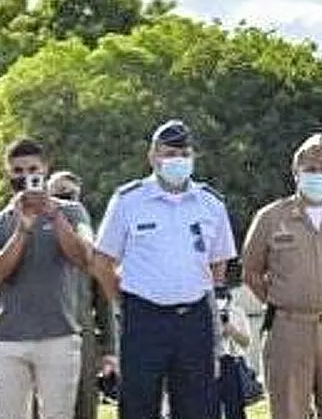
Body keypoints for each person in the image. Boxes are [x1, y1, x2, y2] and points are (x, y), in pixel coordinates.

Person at [93, 120, 237, 419]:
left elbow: (219, 260)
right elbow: (102, 261)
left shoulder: (211, 203)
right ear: (152, 157)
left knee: (199, 407)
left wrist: (217, 305)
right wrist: (123, 302)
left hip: (194, 320)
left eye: (184, 153)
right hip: (144, 320)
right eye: (169, 153)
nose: (177, 160)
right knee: (139, 406)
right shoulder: (129, 200)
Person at [239, 133, 322, 419]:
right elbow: (250, 271)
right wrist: (282, 300)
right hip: (288, 329)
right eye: (310, 169)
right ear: (296, 172)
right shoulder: (271, 217)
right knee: (288, 411)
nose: (318, 175)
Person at [0, 139, 95, 419]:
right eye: (17, 171)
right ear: (8, 175)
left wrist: (53, 216)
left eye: (32, 169)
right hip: (9, 339)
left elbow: (84, 257)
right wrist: (22, 229)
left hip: (59, 336)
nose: (24, 176)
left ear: (45, 170)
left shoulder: (72, 212)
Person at [42, 171, 115, 419]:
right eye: (60, 195)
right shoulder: (32, 238)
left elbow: (104, 303)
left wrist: (109, 350)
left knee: (83, 407)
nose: (67, 202)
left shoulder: (90, 246)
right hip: (39, 336)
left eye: (72, 196)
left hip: (81, 337)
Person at [212, 284, 255, 419]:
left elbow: (247, 342)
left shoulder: (237, 312)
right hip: (211, 364)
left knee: (235, 410)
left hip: (233, 363)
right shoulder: (205, 314)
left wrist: (231, 330)